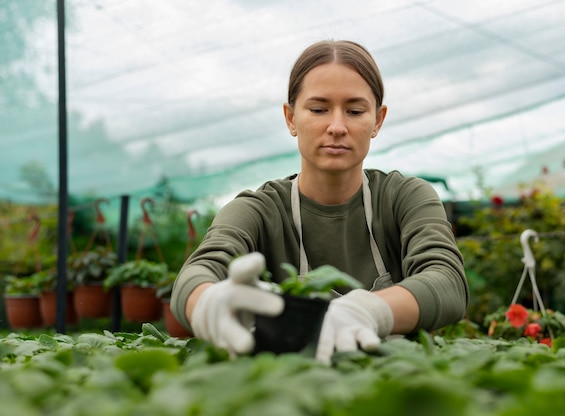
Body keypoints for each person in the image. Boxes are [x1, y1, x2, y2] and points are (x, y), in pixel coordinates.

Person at [171, 39, 469, 364]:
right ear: (290, 118)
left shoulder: (404, 198)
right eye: (318, 109)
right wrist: (208, 301)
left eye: (355, 111)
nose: (337, 127)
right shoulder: (258, 210)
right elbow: (199, 271)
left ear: (378, 120)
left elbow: (447, 279)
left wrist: (371, 311)